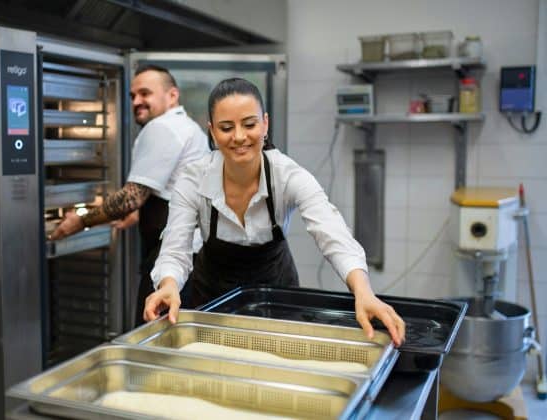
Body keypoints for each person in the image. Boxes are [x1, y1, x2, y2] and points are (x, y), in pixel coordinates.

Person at [143, 78, 406, 346]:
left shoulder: (288, 176)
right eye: (226, 127)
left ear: (265, 124)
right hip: (212, 298)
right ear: (211, 131)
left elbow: (333, 234)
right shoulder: (193, 179)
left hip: (277, 295)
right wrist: (169, 285)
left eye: (249, 124)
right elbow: (176, 248)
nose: (239, 137)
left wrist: (363, 292)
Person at [50, 65, 209, 326]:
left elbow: (131, 197)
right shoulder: (186, 127)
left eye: (145, 93)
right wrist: (139, 212)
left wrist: (80, 220)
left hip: (172, 256)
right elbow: (170, 187)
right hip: (191, 255)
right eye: (133, 95)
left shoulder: (163, 128)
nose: (136, 101)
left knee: (153, 333)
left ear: (172, 95)